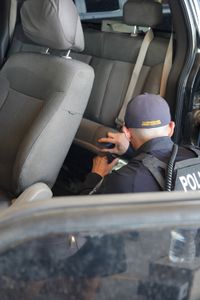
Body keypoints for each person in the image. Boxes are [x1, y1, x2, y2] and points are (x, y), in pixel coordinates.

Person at [79, 93, 198, 194]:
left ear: (126, 132)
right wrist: (130, 152)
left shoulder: (125, 181)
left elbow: (82, 215)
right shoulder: (196, 155)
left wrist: (95, 177)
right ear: (171, 128)